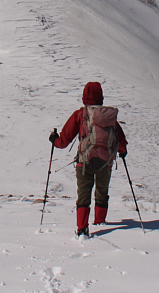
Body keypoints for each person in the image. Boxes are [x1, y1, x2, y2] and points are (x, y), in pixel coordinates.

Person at [49, 81, 127, 237]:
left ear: (84, 96)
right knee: (102, 192)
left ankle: (82, 228)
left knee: (84, 195)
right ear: (101, 97)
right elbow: (120, 139)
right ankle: (100, 221)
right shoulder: (109, 116)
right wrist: (122, 152)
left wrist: (54, 140)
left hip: (84, 161)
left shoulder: (80, 114)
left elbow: (64, 141)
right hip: (106, 162)